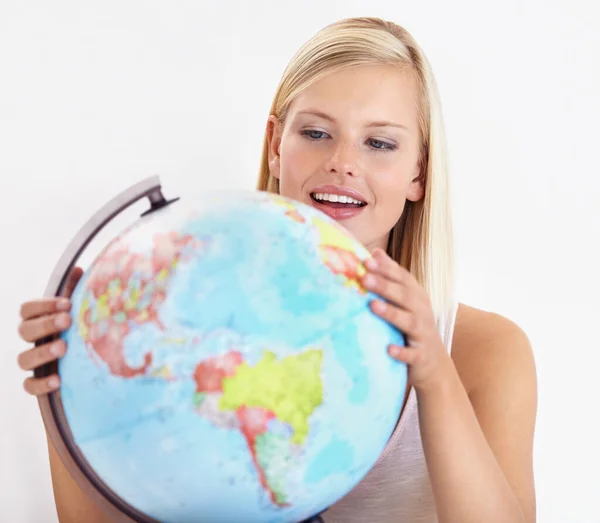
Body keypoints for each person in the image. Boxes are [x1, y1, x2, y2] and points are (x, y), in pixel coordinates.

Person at [15, 16, 537, 523]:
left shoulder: (487, 352)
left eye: (379, 143)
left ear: (418, 171)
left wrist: (435, 377)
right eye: (315, 132)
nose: (342, 161)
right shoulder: (188, 321)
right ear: (275, 145)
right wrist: (70, 392)